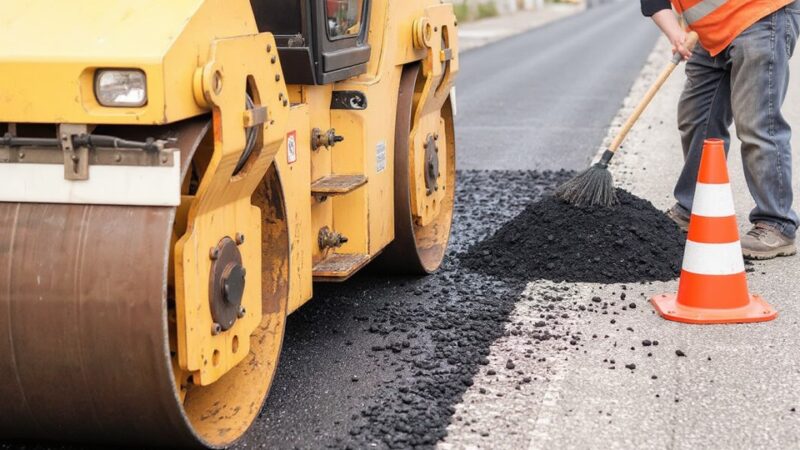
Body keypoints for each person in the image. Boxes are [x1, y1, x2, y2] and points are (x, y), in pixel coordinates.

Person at [641, 0, 800, 259]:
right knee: (696, 118)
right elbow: (652, 2)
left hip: (758, 15)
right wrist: (676, 35)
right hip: (708, 32)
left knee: (757, 122)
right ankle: (695, 208)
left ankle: (777, 223)